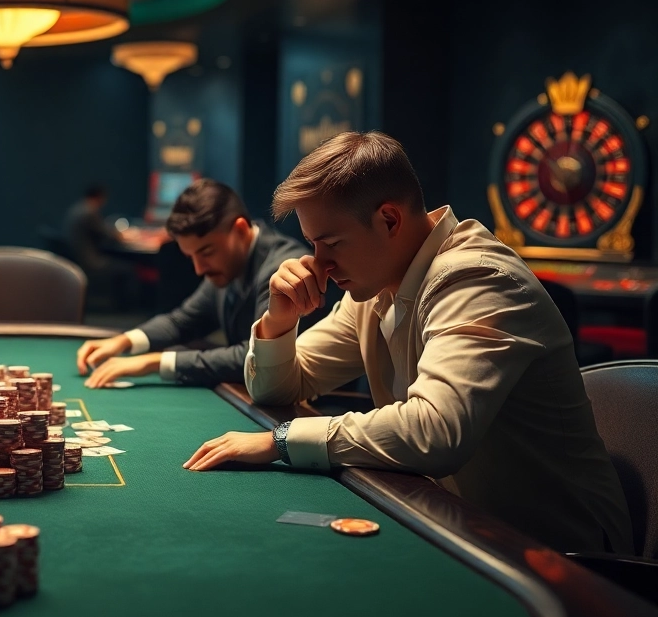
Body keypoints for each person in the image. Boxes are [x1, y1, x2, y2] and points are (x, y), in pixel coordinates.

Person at [183, 131, 632, 555]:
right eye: (313, 244)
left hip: (559, 555)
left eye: (332, 242)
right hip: (458, 525)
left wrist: (281, 440)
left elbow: (436, 431)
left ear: (389, 219)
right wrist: (279, 321)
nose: (319, 263)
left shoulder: (476, 279)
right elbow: (278, 387)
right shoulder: (377, 284)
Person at [76, 179, 307, 388]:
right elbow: (181, 321)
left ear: (239, 230)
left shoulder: (282, 270)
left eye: (206, 252)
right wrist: (124, 341)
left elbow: (256, 357)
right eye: (191, 257)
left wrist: (154, 362)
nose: (199, 268)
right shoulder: (225, 265)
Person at [63, 184, 136, 308]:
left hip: (78, 258)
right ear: (100, 197)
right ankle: (127, 307)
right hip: (91, 261)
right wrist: (123, 235)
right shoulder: (89, 212)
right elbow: (107, 235)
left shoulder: (78, 209)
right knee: (129, 268)